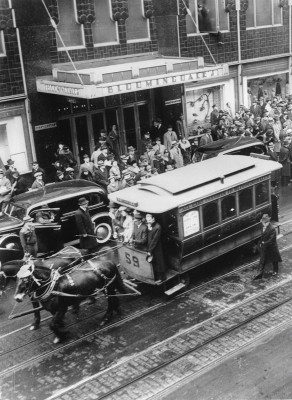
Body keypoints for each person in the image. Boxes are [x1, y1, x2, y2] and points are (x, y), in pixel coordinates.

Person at [253, 214, 282, 279]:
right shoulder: (263, 227)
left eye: (264, 223)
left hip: (272, 248)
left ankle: (275, 271)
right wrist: (260, 243)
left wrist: (263, 243)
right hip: (265, 247)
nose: (263, 224)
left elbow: (271, 240)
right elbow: (262, 236)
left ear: (268, 222)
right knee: (262, 261)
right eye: (263, 223)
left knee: (274, 260)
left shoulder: (272, 229)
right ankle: (259, 274)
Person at [146, 213, 165, 282]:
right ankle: (156, 276)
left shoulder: (158, 227)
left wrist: (150, 250)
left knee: (159, 261)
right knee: (154, 262)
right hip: (150, 247)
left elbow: (155, 240)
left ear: (153, 218)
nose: (148, 221)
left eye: (149, 220)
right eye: (147, 220)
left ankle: (162, 277)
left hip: (157, 248)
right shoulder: (149, 225)